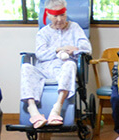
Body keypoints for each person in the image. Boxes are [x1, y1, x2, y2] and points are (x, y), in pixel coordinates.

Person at [20, 0, 91, 129]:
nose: (59, 19)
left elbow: (87, 49)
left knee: (70, 64)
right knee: (26, 67)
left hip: (64, 70)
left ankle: (56, 109)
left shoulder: (74, 28)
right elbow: (40, 54)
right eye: (55, 16)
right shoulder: (43, 33)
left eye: (62, 15)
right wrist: (57, 49)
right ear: (48, 16)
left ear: (66, 13)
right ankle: (33, 111)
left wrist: (74, 49)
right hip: (43, 70)